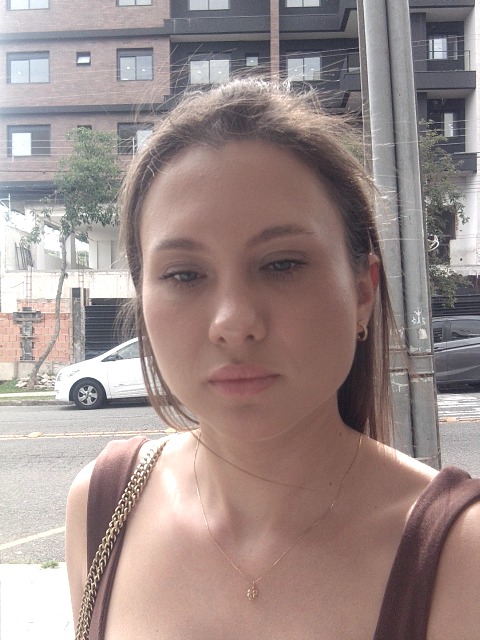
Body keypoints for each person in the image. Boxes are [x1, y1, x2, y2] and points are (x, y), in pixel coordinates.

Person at [66, 78, 480, 640]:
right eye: (184, 274)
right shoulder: (102, 507)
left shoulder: (459, 555)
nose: (233, 322)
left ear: (363, 290)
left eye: (282, 264)